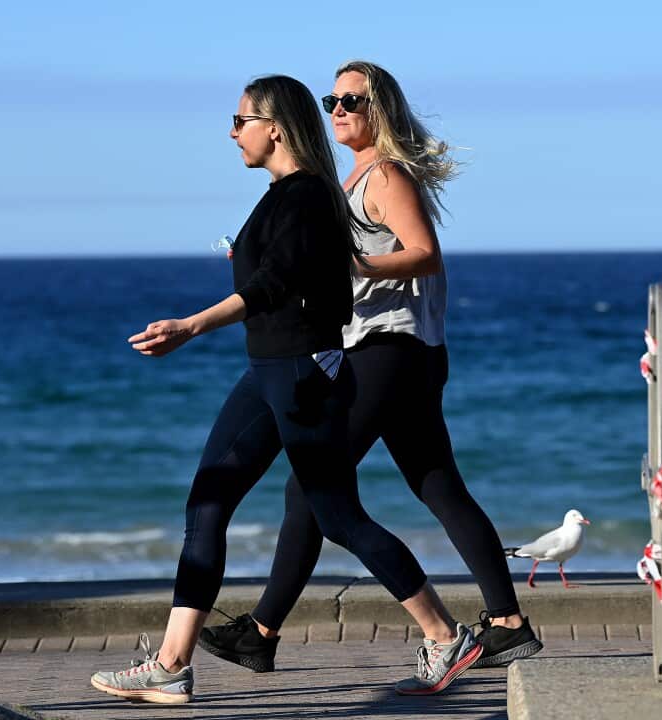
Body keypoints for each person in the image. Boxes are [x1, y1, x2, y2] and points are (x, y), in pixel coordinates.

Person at [90, 74, 481, 704]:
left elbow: (274, 285)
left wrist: (192, 324)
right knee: (208, 502)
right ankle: (171, 663)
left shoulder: (307, 197)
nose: (232, 131)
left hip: (302, 371)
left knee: (337, 514)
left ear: (274, 126)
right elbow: (277, 273)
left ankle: (444, 634)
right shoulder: (280, 197)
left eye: (241, 119)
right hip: (266, 370)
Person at [197, 60, 541, 676]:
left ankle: (264, 630)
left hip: (388, 349)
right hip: (400, 351)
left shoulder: (384, 174)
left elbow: (425, 255)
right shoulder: (352, 175)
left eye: (350, 101)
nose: (337, 111)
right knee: (437, 484)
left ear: (379, 109)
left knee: (311, 487)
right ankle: (508, 623)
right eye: (331, 101)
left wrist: (348, 264)